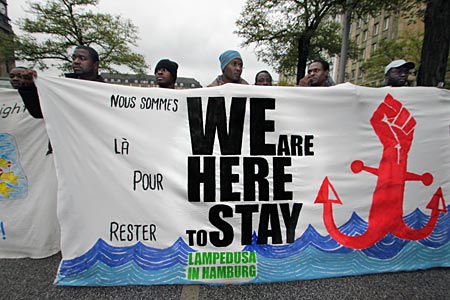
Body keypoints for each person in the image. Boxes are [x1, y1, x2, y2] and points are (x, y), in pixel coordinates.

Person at [18, 45, 104, 119]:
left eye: (82, 58)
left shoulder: (105, 92)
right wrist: (28, 87)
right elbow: (38, 113)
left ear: (95, 65)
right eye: (74, 58)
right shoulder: (61, 88)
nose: (76, 61)